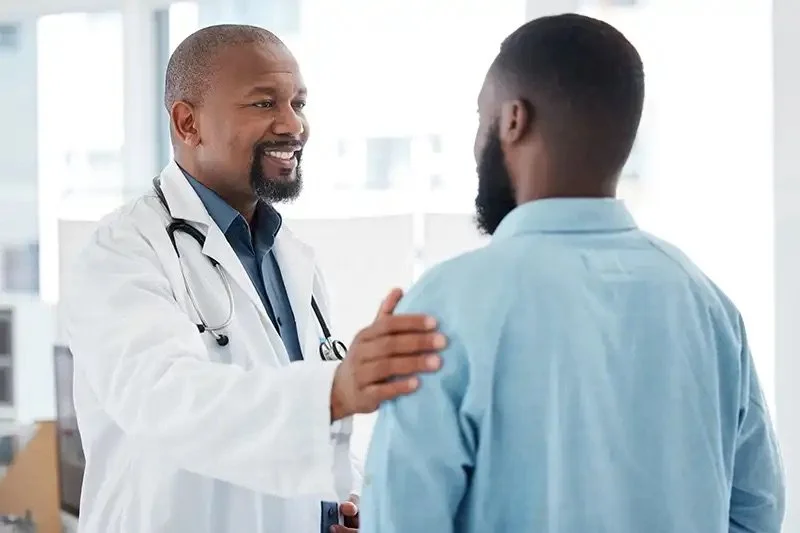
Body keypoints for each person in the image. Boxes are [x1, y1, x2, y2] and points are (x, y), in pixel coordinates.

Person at [359, 13, 785, 533]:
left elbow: (404, 520)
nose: (476, 144)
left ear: (514, 120)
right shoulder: (707, 304)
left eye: (480, 118)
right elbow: (758, 512)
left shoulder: (440, 307)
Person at [64, 24, 445, 533]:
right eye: (265, 104)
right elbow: (167, 400)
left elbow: (295, 422)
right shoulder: (121, 253)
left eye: (299, 103)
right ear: (187, 122)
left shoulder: (291, 258)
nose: (294, 126)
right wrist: (336, 389)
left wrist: (344, 502)